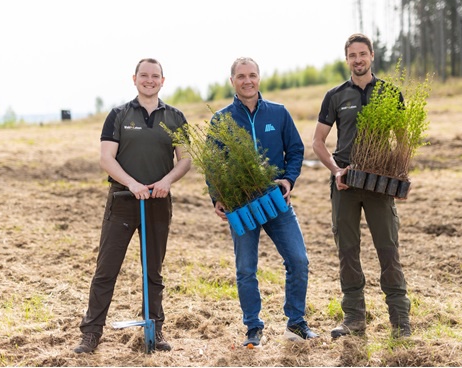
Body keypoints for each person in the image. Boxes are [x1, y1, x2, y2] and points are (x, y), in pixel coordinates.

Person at [74, 58, 192, 353]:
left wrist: (166, 181)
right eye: (144, 75)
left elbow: (186, 159)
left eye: (155, 76)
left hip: (158, 202)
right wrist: (131, 184)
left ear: (163, 81)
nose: (149, 80)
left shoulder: (175, 117)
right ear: (134, 79)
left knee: (154, 270)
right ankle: (91, 333)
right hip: (123, 201)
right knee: (106, 269)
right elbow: (106, 158)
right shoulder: (118, 114)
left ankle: (155, 329)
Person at [211, 57, 318, 347]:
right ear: (232, 80)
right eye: (241, 76)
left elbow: (295, 150)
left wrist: (289, 179)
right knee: (246, 268)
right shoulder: (221, 120)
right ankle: (252, 328)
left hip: (275, 201)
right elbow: (213, 166)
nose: (248, 80)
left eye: (252, 75)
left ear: (259, 78)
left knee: (298, 260)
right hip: (241, 206)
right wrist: (217, 197)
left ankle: (295, 323)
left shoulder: (279, 113)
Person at [312, 33, 412, 339]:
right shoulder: (335, 96)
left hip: (379, 185)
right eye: (352, 55)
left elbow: (404, 139)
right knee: (347, 250)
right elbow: (317, 142)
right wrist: (336, 171)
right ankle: (354, 318)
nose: (358, 60)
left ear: (371, 56)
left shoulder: (389, 93)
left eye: (363, 54)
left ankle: (400, 321)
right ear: (347, 60)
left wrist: (400, 172)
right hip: (345, 184)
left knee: (388, 249)